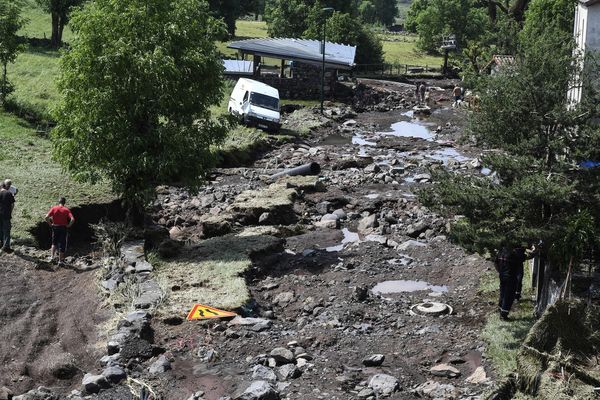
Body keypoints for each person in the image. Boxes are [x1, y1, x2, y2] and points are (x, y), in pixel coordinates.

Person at [45, 197, 75, 266]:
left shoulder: (54, 208)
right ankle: (60, 261)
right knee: (62, 244)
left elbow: (46, 217)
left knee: (54, 242)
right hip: (63, 228)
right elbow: (72, 219)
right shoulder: (66, 210)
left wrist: (50, 224)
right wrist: (68, 225)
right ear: (64, 203)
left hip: (55, 227)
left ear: (58, 202)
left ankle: (52, 257)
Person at [0, 183, 15, 252]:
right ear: (4, 186)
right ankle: (6, 246)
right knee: (7, 230)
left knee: (0, 229)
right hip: (6, 214)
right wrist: (10, 211)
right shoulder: (9, 193)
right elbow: (12, 204)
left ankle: (1, 243)